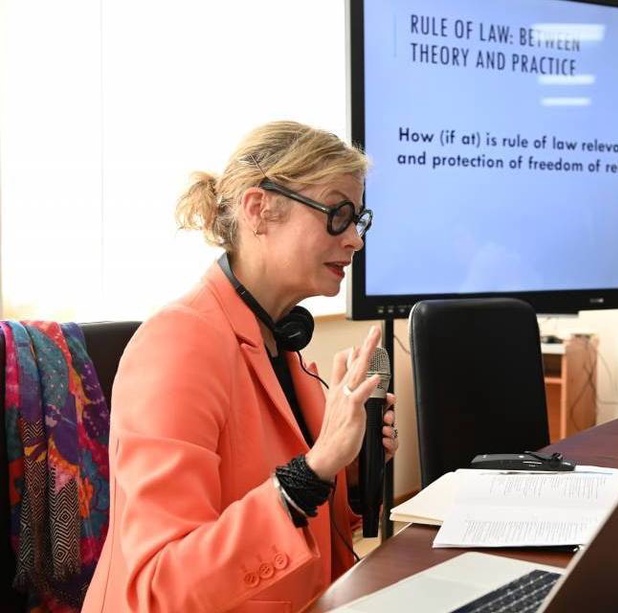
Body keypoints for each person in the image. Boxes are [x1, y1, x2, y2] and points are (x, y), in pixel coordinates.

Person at [82, 120, 398, 612]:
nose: (355, 240)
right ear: (258, 209)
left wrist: (352, 470)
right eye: (338, 214)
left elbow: (305, 532)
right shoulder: (177, 345)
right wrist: (313, 470)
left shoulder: (282, 344)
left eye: (359, 219)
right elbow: (163, 587)